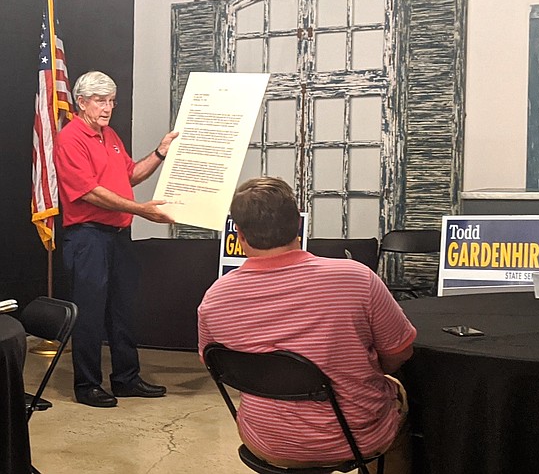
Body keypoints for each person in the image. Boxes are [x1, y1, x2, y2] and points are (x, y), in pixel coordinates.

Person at [198, 177, 416, 474]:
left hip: (265, 442)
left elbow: (217, 366)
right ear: (297, 226)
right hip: (355, 439)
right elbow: (400, 352)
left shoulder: (215, 299)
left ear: (240, 235)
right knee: (403, 400)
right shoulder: (356, 278)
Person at [55, 71, 178, 408]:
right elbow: (90, 193)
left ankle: (125, 379)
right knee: (90, 313)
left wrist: (160, 152)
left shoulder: (108, 135)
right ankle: (87, 385)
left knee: (122, 310)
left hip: (117, 235)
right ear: (81, 102)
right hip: (88, 237)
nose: (108, 108)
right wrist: (141, 210)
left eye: (111, 101)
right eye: (100, 101)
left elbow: (129, 175)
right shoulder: (71, 138)